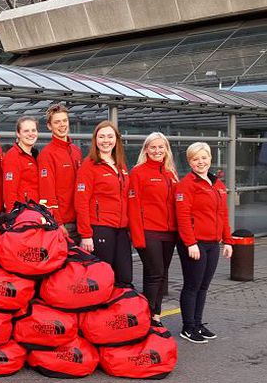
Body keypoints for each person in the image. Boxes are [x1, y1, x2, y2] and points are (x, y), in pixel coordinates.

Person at [175, 142, 233, 344]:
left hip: (212, 243)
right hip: (194, 244)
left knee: (203, 286)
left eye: (204, 157)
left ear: (210, 158)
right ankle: (188, 327)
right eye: (195, 158)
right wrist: (190, 243)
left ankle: (198, 323)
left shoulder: (217, 184)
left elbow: (223, 214)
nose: (200, 162)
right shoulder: (186, 185)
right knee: (192, 285)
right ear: (190, 162)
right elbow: (182, 217)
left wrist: (228, 241)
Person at [128, 132, 179, 327]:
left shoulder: (171, 172)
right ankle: (150, 314)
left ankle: (155, 314)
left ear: (166, 149)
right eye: (153, 147)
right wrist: (137, 238)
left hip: (169, 233)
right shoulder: (138, 172)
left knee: (161, 273)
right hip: (149, 232)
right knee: (155, 272)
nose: (157, 151)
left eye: (161, 147)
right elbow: (133, 206)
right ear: (146, 149)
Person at [75, 121, 132, 286]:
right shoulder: (89, 165)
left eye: (110, 136)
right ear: (95, 140)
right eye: (101, 136)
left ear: (116, 139)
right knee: (102, 277)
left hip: (121, 229)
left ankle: (118, 310)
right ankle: (100, 311)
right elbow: (81, 201)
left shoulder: (120, 165)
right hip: (101, 228)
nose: (106, 140)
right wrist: (86, 235)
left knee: (125, 277)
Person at [38, 104, 82, 244]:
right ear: (49, 126)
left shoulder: (76, 151)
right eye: (57, 122)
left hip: (81, 220)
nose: (62, 125)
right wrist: (58, 222)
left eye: (64, 121)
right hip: (64, 223)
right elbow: (47, 192)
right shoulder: (47, 154)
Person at [2, 116, 39, 212]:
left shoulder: (35, 155)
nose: (31, 134)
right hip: (22, 213)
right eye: (26, 131)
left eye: (33, 130)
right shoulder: (13, 156)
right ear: (18, 134)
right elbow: (9, 192)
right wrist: (13, 216)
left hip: (36, 211)